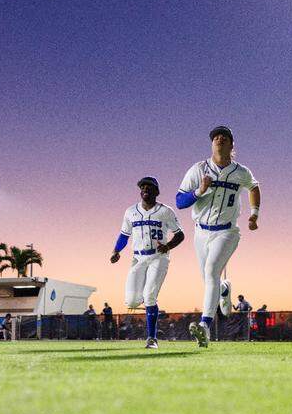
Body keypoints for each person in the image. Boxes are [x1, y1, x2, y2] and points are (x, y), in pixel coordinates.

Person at [176, 126, 261, 348]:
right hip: (201, 232)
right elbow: (179, 201)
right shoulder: (198, 169)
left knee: (211, 270)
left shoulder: (240, 171)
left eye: (224, 137)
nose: (219, 138)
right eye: (215, 137)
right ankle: (224, 288)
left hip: (227, 231)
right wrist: (199, 191)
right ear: (211, 144)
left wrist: (254, 215)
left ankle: (204, 326)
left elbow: (253, 187)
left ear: (232, 145)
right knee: (209, 281)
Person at [110, 176, 184, 349]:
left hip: (158, 257)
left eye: (149, 187)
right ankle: (149, 304)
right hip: (137, 258)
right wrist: (116, 250)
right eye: (142, 187)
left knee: (150, 295)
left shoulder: (165, 211)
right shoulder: (130, 211)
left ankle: (152, 338)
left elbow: (180, 234)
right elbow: (124, 235)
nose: (145, 189)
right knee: (133, 301)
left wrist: (168, 246)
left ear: (157, 191)